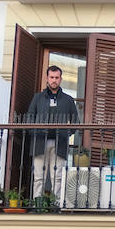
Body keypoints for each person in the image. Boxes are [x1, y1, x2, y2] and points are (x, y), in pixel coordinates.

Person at [26, 64, 79, 198]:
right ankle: (38, 204)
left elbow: (75, 122)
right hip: (39, 142)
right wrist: (35, 132)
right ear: (47, 78)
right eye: (51, 77)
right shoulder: (37, 98)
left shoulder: (68, 99)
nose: (54, 80)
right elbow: (29, 118)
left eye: (56, 77)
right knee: (38, 177)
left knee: (58, 177)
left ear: (60, 79)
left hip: (59, 142)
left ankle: (56, 205)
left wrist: (66, 133)